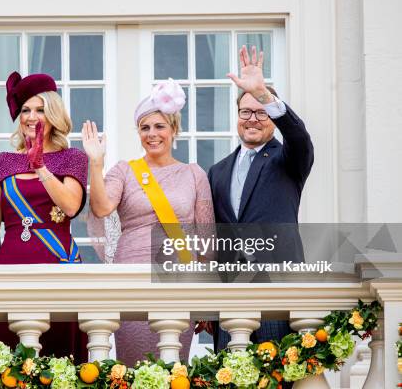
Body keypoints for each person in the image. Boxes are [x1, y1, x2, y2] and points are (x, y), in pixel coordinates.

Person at [82, 78, 215, 365]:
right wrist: (95, 163)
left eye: (159, 126)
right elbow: (102, 207)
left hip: (181, 278)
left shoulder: (194, 174)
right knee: (133, 366)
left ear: (174, 129)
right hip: (131, 277)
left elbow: (207, 242)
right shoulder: (125, 171)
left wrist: (205, 298)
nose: (152, 134)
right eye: (145, 128)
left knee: (173, 367)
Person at [207, 45, 314, 363]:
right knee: (228, 378)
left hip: (276, 291)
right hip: (230, 295)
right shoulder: (218, 171)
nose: (252, 119)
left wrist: (264, 93)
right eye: (245, 112)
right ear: (237, 117)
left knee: (278, 377)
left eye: (261, 112)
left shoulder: (288, 158)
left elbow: (299, 137)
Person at [0, 71, 89, 360]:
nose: (31, 117)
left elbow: (71, 206)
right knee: (7, 359)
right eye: (25, 110)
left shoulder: (72, 158)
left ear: (53, 115)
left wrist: (40, 167)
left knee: (60, 359)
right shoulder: (3, 162)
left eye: (40, 110)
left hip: (59, 264)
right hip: (12, 264)